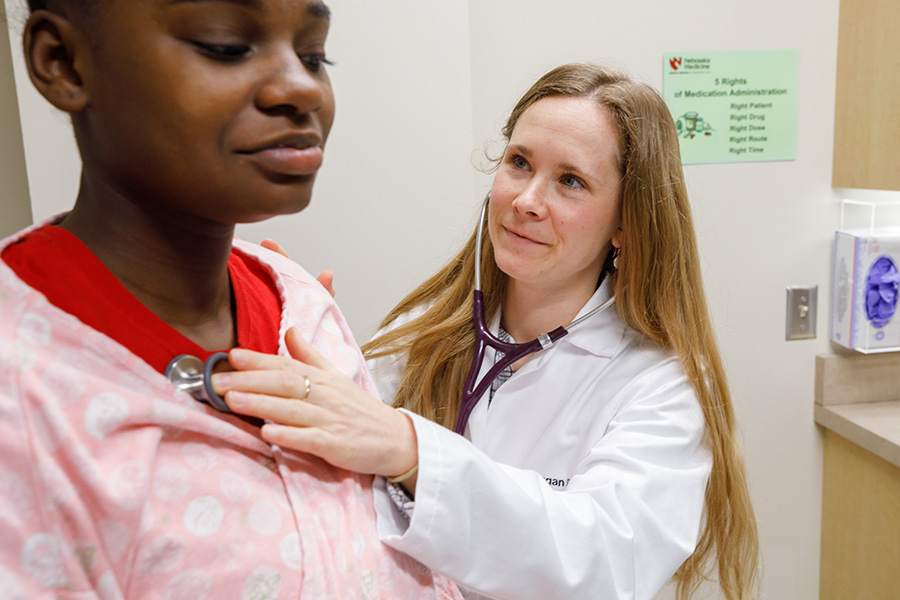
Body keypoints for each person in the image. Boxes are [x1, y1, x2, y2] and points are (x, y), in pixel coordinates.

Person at [212, 64, 760, 599]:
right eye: (519, 163)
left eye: (570, 181)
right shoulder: (421, 334)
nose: (526, 200)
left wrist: (411, 451)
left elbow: (603, 561)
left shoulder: (661, 385)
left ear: (625, 223)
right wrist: (311, 349)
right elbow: (353, 494)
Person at [0, 0, 463, 598]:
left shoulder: (299, 303)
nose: (301, 88)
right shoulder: (21, 395)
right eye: (225, 46)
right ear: (62, 62)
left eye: (314, 54)